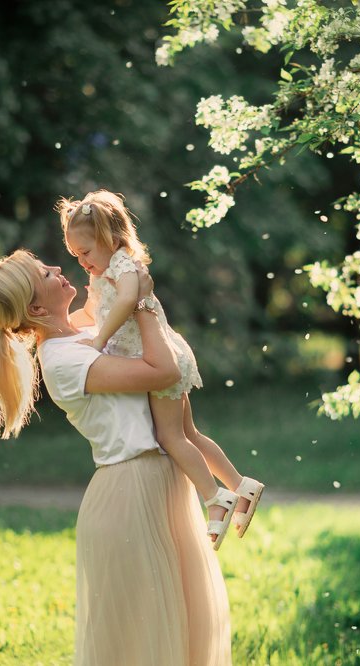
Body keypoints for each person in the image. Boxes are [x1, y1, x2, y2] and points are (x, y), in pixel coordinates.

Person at [0, 249, 231, 664]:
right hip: (130, 493)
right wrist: (143, 302)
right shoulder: (62, 361)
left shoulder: (82, 333)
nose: (59, 268)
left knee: (180, 629)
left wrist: (128, 282)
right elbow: (162, 373)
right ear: (37, 306)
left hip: (162, 482)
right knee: (142, 639)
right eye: (46, 272)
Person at [58, 190, 264, 550]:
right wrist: (66, 328)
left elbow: (126, 302)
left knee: (172, 437)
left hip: (158, 360)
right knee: (190, 433)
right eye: (76, 256)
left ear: (111, 239)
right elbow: (95, 312)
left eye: (86, 252)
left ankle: (214, 498)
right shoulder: (103, 273)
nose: (82, 263)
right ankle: (241, 486)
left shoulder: (124, 265)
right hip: (163, 354)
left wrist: (98, 341)